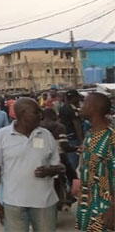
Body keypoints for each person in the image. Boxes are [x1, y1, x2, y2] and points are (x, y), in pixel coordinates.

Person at [0, 98, 64, 232]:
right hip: (14, 203)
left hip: (44, 202)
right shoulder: (2, 136)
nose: (40, 115)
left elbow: (59, 166)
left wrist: (49, 170)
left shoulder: (46, 135)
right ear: (23, 114)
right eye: (36, 112)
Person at [76, 92, 115, 232]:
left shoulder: (111, 137)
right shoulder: (90, 135)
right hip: (87, 204)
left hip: (105, 205)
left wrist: (112, 208)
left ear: (93, 108)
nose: (81, 106)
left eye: (84, 103)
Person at [40, 108, 77, 209]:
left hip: (42, 158)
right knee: (73, 175)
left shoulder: (38, 127)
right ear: (54, 116)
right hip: (60, 157)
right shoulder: (60, 127)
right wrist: (76, 148)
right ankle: (72, 195)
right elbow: (64, 145)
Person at [60, 90, 84, 171]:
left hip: (66, 136)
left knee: (69, 161)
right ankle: (71, 181)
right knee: (73, 162)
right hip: (73, 138)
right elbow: (77, 125)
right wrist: (81, 141)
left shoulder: (63, 108)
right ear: (74, 98)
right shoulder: (71, 109)